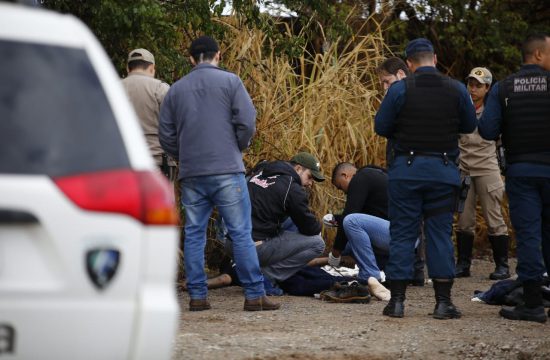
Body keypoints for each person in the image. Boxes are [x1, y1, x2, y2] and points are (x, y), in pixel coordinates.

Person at [159, 35, 280, 312]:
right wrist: (238, 146)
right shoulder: (230, 81)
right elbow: (247, 120)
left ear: (191, 59)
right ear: (219, 55)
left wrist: (183, 155)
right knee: (240, 233)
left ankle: (198, 296)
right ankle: (253, 295)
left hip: (192, 173)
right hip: (227, 169)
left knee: (194, 234)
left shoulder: (176, 90)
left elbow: (165, 134)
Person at [375, 38, 476, 319]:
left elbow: (381, 127)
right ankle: (443, 303)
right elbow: (469, 125)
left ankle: (396, 302)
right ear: (435, 58)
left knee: (403, 234)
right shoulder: (456, 88)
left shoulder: (399, 89)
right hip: (443, 173)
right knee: (440, 235)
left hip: (405, 173)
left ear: (408, 64)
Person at [478, 33, 550, 323]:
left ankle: (532, 304)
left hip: (522, 172)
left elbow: (486, 131)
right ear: (538, 56)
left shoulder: (504, 88)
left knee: (530, 235)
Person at [225, 152, 326, 290]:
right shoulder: (292, 188)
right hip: (251, 248)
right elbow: (310, 228)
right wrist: (320, 224)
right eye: (309, 177)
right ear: (298, 169)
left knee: (289, 218)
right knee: (317, 243)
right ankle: (265, 276)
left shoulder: (261, 171)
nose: (309, 183)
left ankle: (248, 270)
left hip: (231, 243)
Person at [455, 67, 511, 280]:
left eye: (479, 85)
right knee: (464, 218)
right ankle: (463, 264)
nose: (473, 89)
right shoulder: (462, 106)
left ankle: (502, 265)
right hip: (464, 167)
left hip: (487, 167)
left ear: (488, 87)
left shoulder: (494, 108)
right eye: (471, 84)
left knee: (494, 216)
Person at [327, 163, 392, 301]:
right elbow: (373, 217)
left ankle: (370, 276)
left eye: (340, 186)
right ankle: (385, 273)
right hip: (406, 235)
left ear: (345, 175)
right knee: (351, 242)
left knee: (351, 221)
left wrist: (335, 253)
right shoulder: (374, 176)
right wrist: (336, 219)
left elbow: (350, 216)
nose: (343, 191)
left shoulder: (360, 178)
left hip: (397, 235)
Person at [121, 48, 176, 180]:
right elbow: (175, 125)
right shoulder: (160, 88)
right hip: (157, 162)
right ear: (152, 68)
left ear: (128, 68)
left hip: (123, 163)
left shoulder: (113, 87)